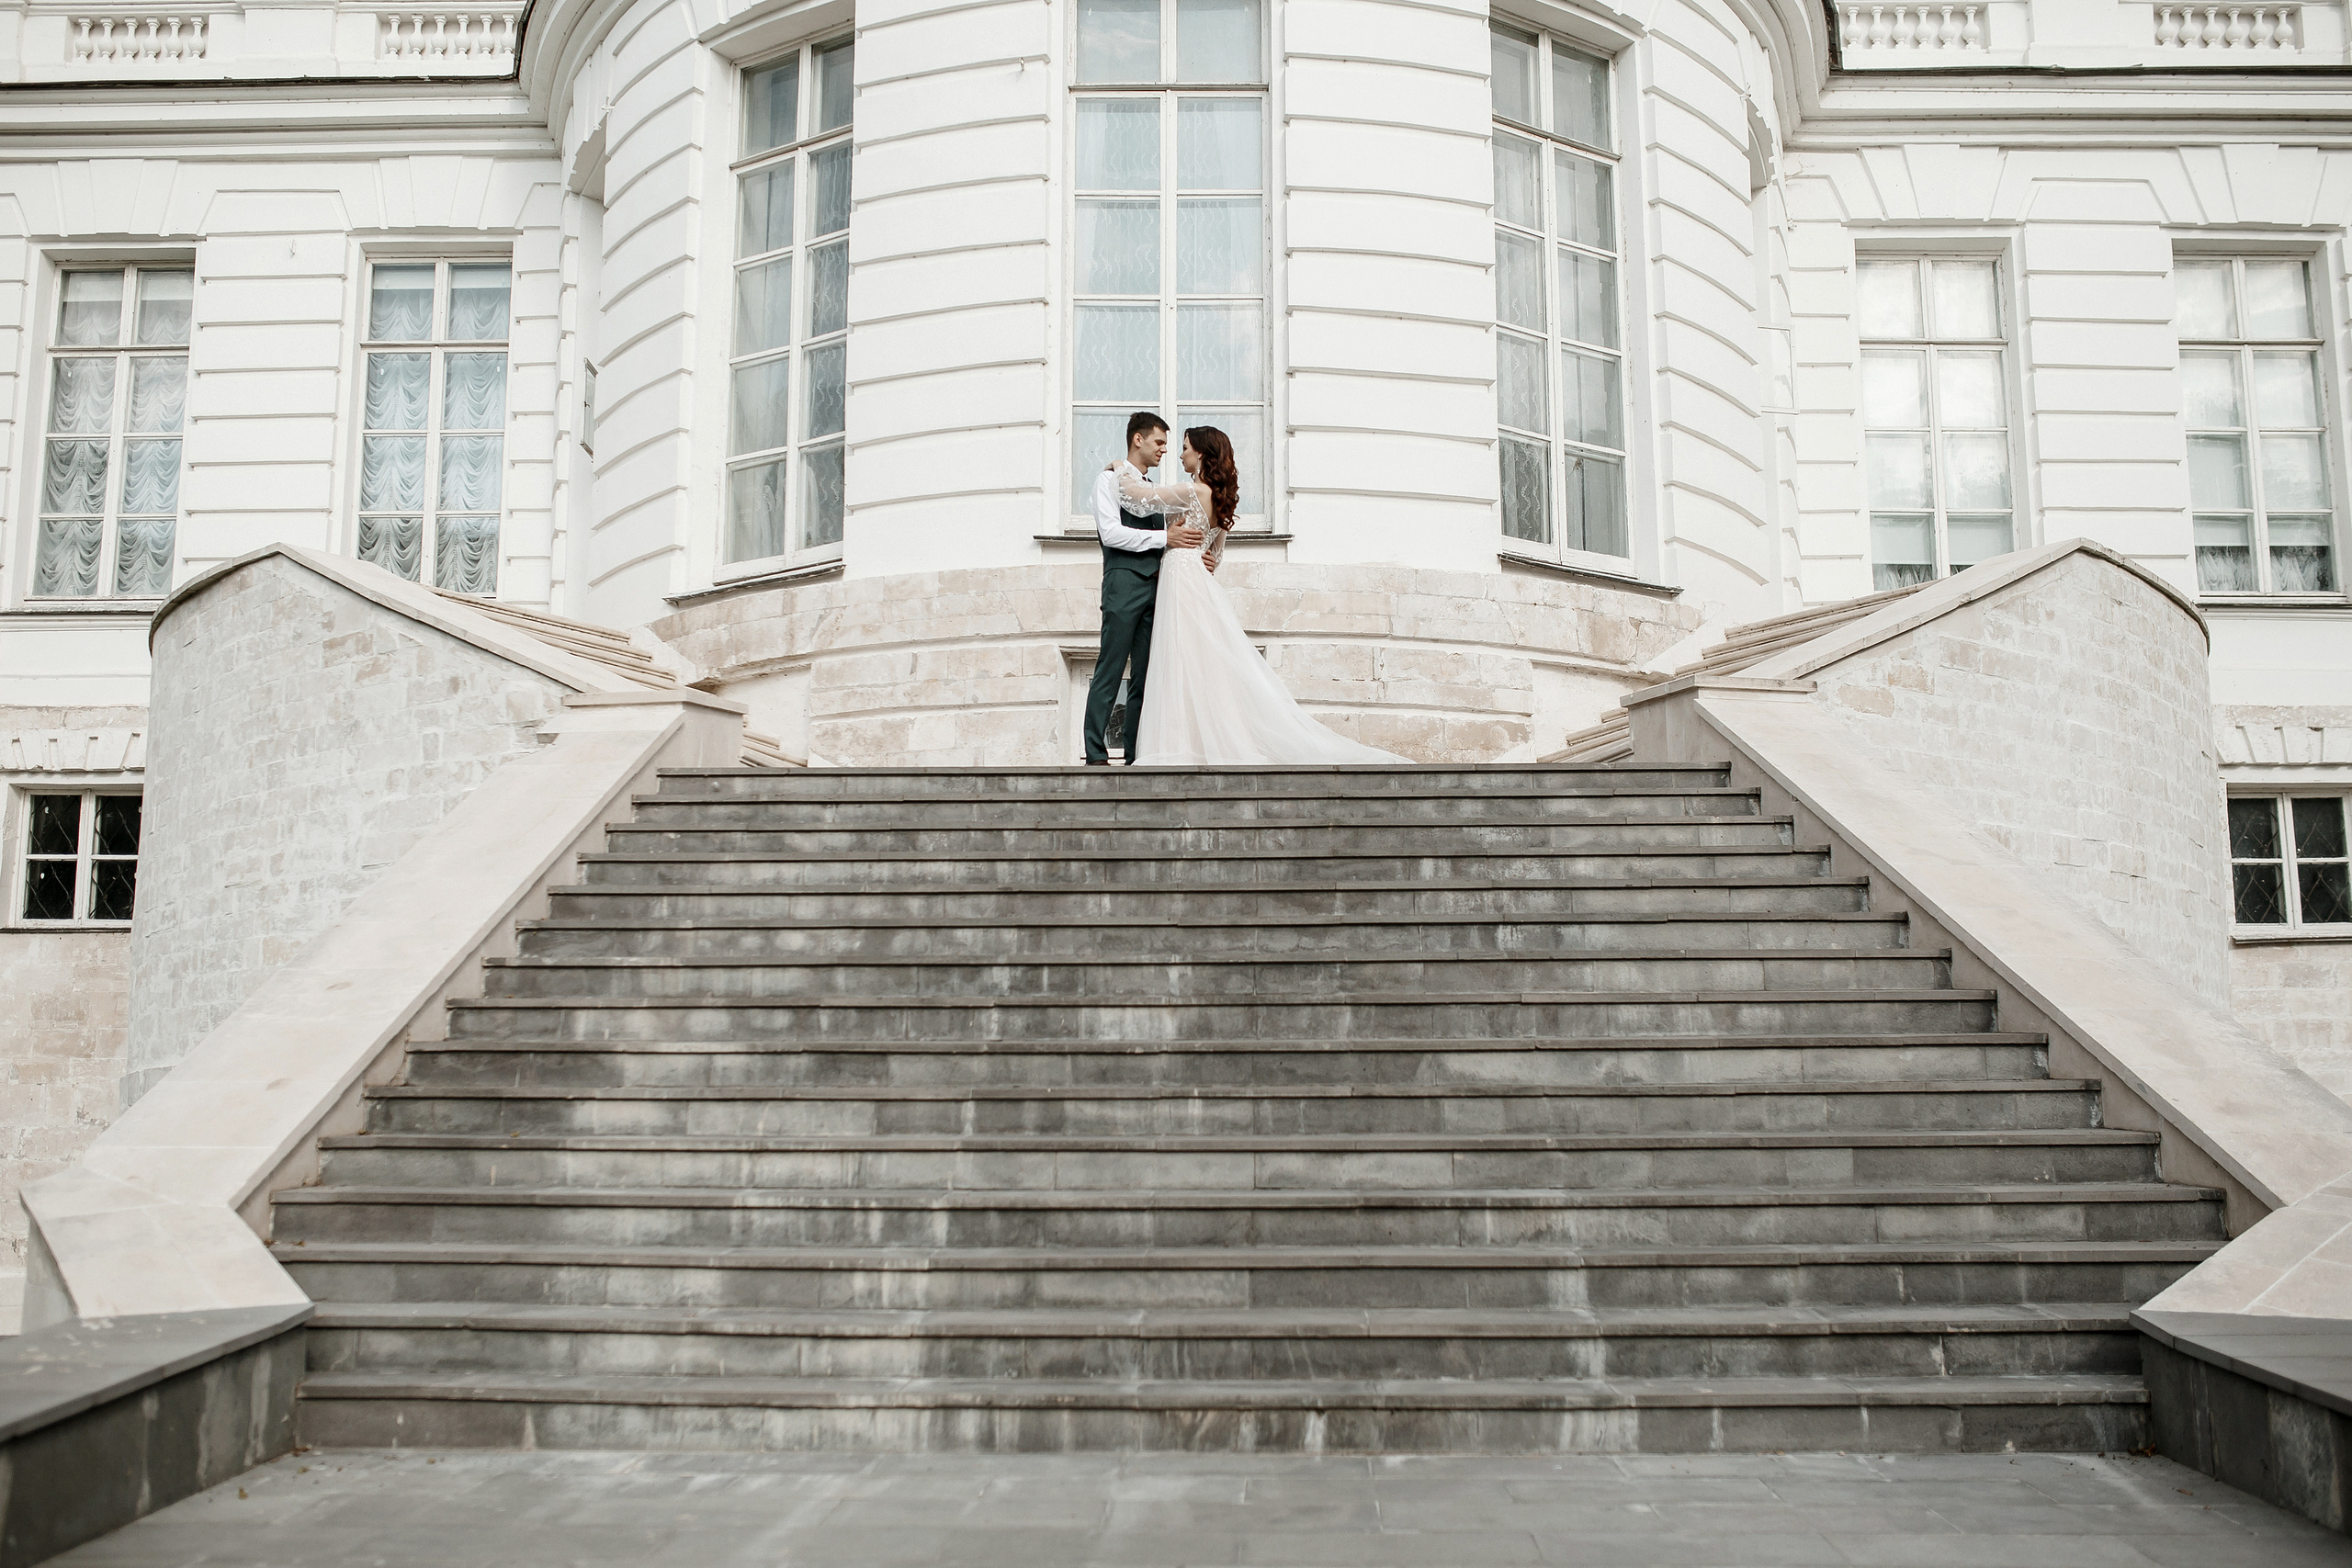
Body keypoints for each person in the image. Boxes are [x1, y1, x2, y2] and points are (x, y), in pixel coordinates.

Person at [1113, 426, 1404, 767]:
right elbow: (1215, 556)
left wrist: (1119, 465)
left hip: (1179, 576)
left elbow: (1135, 496)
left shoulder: (1191, 491)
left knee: (1179, 657)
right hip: (1195, 576)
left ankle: (1181, 745)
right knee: (1197, 660)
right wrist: (1206, 556)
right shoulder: (1218, 497)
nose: (1180, 455)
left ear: (1202, 454)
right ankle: (1198, 743)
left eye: (1186, 448)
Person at [1082, 412, 1204, 766]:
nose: (1165, 450)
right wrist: (1166, 537)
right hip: (1123, 584)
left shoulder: (1151, 491)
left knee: (1146, 677)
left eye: (1168, 444)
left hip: (1157, 588)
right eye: (1160, 442)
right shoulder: (1107, 481)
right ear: (1138, 439)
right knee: (1110, 667)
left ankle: (1136, 756)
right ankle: (1095, 755)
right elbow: (1112, 533)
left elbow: (1184, 528)